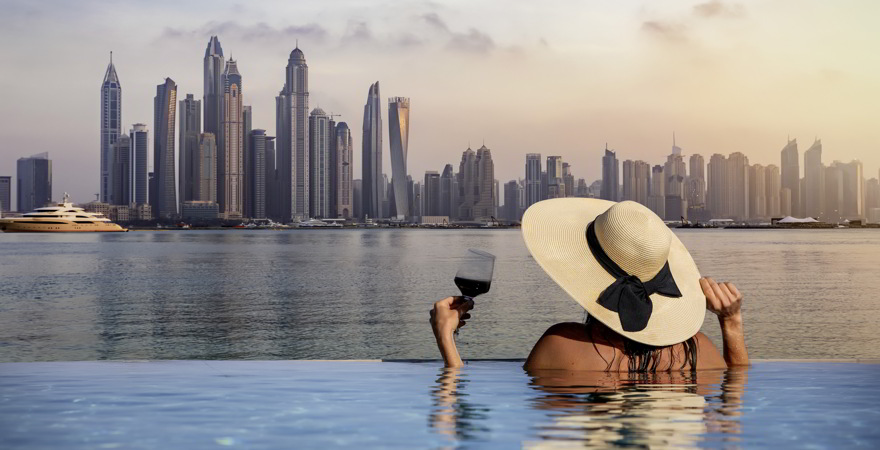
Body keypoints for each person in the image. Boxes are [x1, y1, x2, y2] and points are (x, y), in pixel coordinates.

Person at [430, 199, 749, 371]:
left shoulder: (560, 346)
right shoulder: (701, 352)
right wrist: (731, 323)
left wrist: (447, 342)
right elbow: (733, 406)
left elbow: (456, 417)